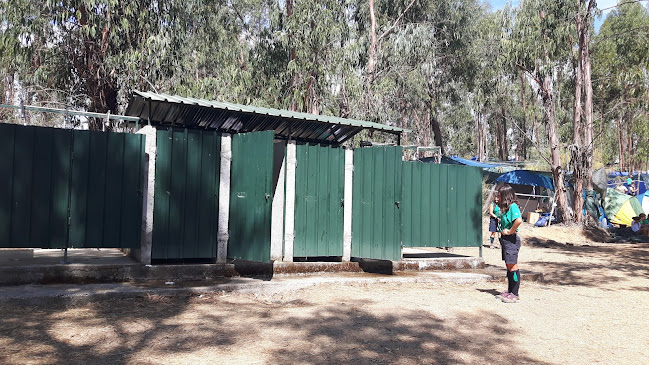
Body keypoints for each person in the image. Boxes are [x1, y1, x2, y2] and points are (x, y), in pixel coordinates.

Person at [495, 184, 523, 303]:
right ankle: (510, 291)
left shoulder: (513, 207)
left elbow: (518, 220)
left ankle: (515, 294)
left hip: (511, 240)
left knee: (513, 266)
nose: (498, 197)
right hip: (505, 240)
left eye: (500, 195)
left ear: (505, 195)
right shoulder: (505, 208)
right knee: (508, 266)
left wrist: (510, 231)